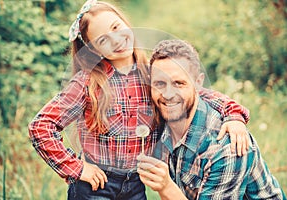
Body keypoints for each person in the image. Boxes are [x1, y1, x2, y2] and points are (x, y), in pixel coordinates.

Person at [28, 1, 250, 199]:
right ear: (94, 50)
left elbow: (195, 92)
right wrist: (76, 168)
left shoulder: (150, 72)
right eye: (103, 39)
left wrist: (233, 115)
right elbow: (41, 126)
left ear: (126, 22)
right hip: (95, 186)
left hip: (135, 184)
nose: (116, 40)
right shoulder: (88, 82)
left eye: (116, 27)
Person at [137, 39, 286, 199]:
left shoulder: (226, 147)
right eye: (159, 83)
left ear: (198, 83)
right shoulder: (160, 116)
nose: (167, 94)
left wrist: (166, 187)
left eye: (179, 83)